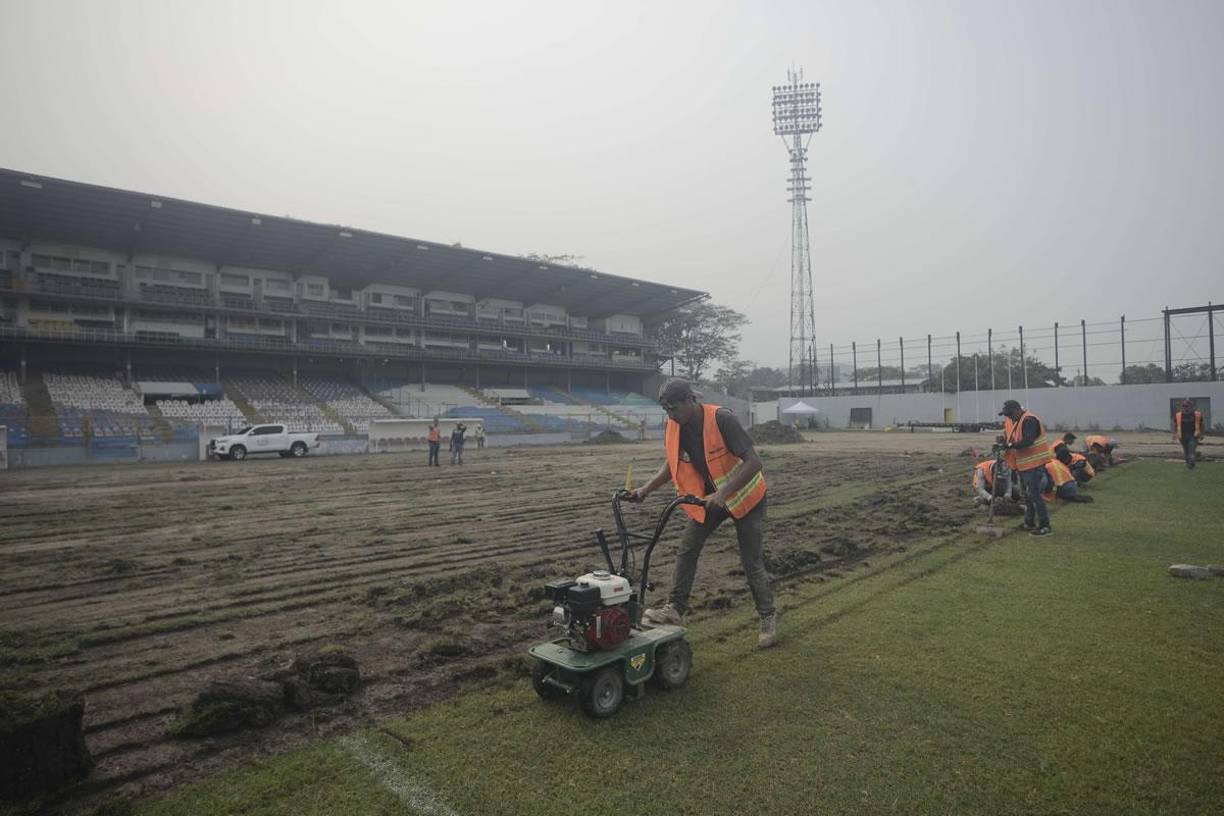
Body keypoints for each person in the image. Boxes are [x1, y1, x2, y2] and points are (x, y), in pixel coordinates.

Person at [627, 379, 777, 648]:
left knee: (751, 561)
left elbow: (754, 462)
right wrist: (645, 489)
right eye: (666, 410)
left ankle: (767, 617)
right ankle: (675, 609)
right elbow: (672, 464)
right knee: (688, 547)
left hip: (747, 497)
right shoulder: (676, 426)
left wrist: (723, 493)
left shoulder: (721, 419)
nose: (670, 415)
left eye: (673, 408)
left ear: (689, 400)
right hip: (710, 500)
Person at [998, 399, 1054, 536]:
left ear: (1017, 410)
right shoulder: (1016, 421)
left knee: (1035, 496)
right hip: (1024, 465)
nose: (1009, 418)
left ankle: (1044, 526)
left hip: (1035, 464)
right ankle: (1029, 522)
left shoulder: (1029, 420)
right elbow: (1014, 439)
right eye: (1007, 415)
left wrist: (1009, 445)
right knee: (1028, 497)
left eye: (1010, 414)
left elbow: (1028, 441)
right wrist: (1004, 442)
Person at [1173, 399, 1204, 469]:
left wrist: (1202, 434)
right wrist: (1174, 434)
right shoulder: (1178, 415)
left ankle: (1192, 462)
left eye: (1187, 406)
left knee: (1191, 449)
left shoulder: (1197, 414)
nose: (1185, 407)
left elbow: (1202, 424)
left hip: (1194, 435)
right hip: (1182, 436)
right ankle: (1188, 464)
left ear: (1191, 406)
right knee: (1186, 450)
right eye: (1184, 406)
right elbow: (1175, 425)